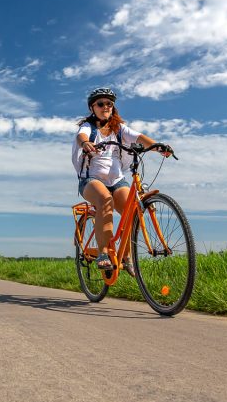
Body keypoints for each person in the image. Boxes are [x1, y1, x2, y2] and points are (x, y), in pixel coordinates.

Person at [72, 87, 172, 271]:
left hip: (117, 181)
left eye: (109, 103)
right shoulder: (89, 127)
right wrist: (86, 143)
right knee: (105, 200)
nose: (105, 107)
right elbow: (81, 136)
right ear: (92, 107)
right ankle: (103, 252)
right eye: (101, 104)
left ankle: (126, 257)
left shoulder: (119, 129)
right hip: (91, 180)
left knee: (134, 211)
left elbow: (139, 137)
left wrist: (159, 148)